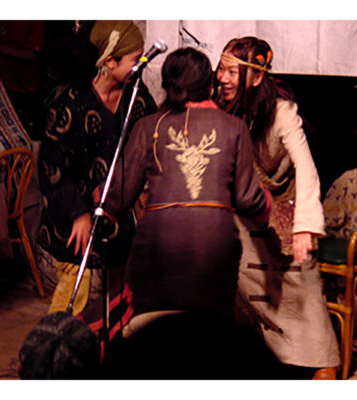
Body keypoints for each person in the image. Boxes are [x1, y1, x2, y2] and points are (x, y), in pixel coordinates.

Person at [100, 47, 274, 377]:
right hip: (214, 249)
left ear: (167, 85)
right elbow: (248, 199)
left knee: (154, 341)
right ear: (208, 85)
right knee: (210, 339)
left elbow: (117, 196)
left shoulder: (148, 126)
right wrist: (268, 203)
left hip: (157, 247)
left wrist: (98, 200)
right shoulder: (234, 127)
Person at [213, 36, 339, 379]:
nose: (223, 78)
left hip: (285, 219)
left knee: (308, 319)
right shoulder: (222, 108)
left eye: (232, 72)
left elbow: (306, 166)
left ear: (256, 77)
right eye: (221, 70)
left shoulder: (282, 112)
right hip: (244, 220)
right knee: (238, 303)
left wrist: (305, 225)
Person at [36, 21, 157, 328]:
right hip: (75, 219)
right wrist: (77, 214)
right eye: (135, 59)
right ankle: (54, 348)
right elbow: (51, 167)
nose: (141, 65)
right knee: (72, 300)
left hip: (118, 217)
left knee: (122, 303)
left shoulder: (137, 98)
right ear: (109, 61)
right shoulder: (70, 104)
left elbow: (153, 146)